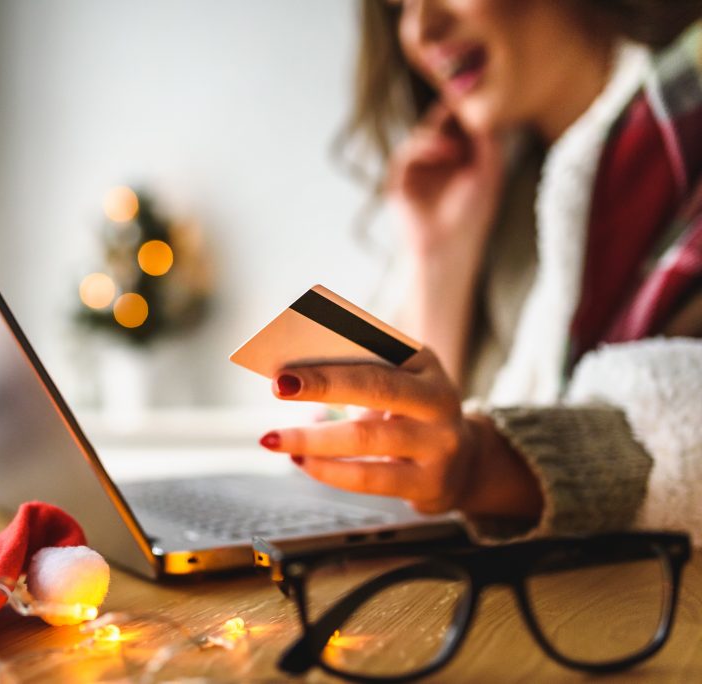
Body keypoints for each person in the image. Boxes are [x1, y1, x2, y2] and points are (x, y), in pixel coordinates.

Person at [260, 0, 702, 540]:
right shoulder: (495, 190)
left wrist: (485, 464)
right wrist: (437, 259)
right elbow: (408, 467)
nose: (423, 29)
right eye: (398, 6)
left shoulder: (687, 122)